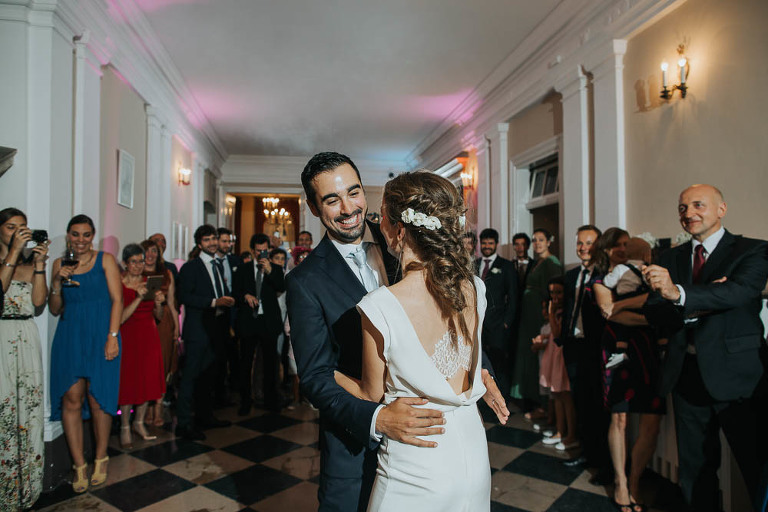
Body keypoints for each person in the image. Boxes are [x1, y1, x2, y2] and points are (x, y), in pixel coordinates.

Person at [286, 152, 508, 511]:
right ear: (314, 207)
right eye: (332, 199)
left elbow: (452, 316)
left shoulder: (406, 236)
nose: (348, 208)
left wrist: (481, 369)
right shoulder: (304, 280)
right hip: (355, 445)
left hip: (434, 447)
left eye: (354, 192)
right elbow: (314, 376)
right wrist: (378, 418)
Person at [333, 171, 494, 510]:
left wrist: (324, 371)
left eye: (382, 217)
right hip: (473, 454)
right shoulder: (474, 288)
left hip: (416, 464)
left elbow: (372, 395)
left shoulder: (380, 306)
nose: (378, 225)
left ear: (400, 230)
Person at [643, 184, 768, 512]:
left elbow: (739, 293)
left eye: (698, 205)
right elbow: (653, 311)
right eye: (682, 208)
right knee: (695, 471)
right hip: (686, 376)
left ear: (721, 209)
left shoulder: (752, 250)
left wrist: (679, 295)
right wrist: (697, 299)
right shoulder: (670, 257)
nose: (689, 213)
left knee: (755, 466)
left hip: (740, 380)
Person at [48, 214, 123, 493]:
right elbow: (55, 307)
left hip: (102, 334)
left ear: (93, 236)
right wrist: (57, 283)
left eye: (86, 234)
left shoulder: (105, 260)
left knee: (97, 398)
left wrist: (112, 337)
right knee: (71, 398)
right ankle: (79, 465)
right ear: (68, 235)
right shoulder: (59, 264)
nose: (80, 240)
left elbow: (117, 300)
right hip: (70, 335)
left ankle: (100, 458)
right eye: (75, 234)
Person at [592, 228, 664, 511]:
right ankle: (621, 482)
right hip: (618, 349)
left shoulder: (647, 272)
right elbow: (607, 311)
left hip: (648, 349)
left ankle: (635, 479)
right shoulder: (601, 279)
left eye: (626, 244)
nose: (622, 249)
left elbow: (656, 302)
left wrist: (622, 306)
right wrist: (648, 314)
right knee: (619, 418)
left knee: (651, 420)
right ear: (607, 249)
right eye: (617, 245)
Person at [0, 208, 48, 508]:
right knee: (4, 410)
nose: (17, 232)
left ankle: (26, 490)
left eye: (22, 227)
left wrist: (39, 265)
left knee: (28, 411)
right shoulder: (5, 262)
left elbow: (39, 301)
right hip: (2, 336)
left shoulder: (30, 262)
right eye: (10, 227)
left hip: (27, 338)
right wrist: (13, 252)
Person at [560, 225, 613, 483]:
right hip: (573, 347)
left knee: (598, 406)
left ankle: (604, 463)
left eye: (588, 243)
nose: (583, 248)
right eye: (580, 243)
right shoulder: (571, 275)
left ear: (598, 245)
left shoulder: (606, 274)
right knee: (580, 403)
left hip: (595, 348)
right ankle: (586, 453)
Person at [175, 225, 233, 441]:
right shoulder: (191, 267)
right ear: (199, 244)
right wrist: (214, 302)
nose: (212, 242)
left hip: (216, 328)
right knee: (190, 377)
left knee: (208, 376)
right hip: (197, 330)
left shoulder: (217, 265)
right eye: (207, 240)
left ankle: (205, 416)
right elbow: (185, 297)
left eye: (214, 238)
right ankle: (183, 424)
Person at [117, 244, 166, 449]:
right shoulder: (119, 284)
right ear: (125, 263)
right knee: (128, 381)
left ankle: (139, 422)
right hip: (128, 334)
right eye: (134, 262)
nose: (138, 266)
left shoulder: (149, 283)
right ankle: (124, 426)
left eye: (141, 261)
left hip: (149, 335)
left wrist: (159, 303)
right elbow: (120, 318)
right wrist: (138, 298)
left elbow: (159, 317)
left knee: (147, 379)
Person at [511, 228, 563, 416]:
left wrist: (547, 314)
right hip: (529, 315)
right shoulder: (538, 262)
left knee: (541, 358)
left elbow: (553, 293)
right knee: (529, 355)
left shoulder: (552, 263)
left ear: (549, 242)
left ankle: (544, 406)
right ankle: (531, 399)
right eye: (534, 240)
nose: (537, 243)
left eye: (541, 240)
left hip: (539, 316)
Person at [232, 233, 285, 415]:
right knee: (246, 363)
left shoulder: (275, 268)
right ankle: (245, 401)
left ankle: (271, 400)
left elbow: (281, 287)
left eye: (264, 250)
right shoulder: (243, 269)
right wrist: (245, 295)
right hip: (249, 321)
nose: (261, 253)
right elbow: (235, 292)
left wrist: (270, 271)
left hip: (268, 321)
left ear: (269, 250)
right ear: (252, 250)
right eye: (258, 251)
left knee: (270, 363)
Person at [533, 276, 578, 452]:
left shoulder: (563, 312)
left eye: (558, 292)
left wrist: (551, 313)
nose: (555, 296)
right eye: (552, 292)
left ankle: (570, 435)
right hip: (554, 354)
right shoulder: (557, 311)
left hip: (562, 355)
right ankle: (559, 431)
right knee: (557, 394)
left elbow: (558, 333)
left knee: (565, 396)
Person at [597, 237, 653, 369]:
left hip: (624, 298)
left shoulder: (620, 268)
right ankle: (663, 345)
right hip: (641, 302)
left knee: (621, 327)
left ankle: (621, 350)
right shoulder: (646, 268)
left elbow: (608, 282)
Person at [140, 238, 180, 426]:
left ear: (159, 254)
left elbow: (171, 303)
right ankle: (146, 409)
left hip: (164, 322)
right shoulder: (136, 273)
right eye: (147, 251)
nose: (150, 255)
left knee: (162, 365)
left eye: (154, 251)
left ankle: (158, 409)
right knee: (146, 366)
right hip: (142, 320)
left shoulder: (167, 273)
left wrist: (176, 327)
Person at [475, 228, 517, 399]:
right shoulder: (475, 264)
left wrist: (506, 322)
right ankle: (482, 398)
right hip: (478, 323)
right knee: (479, 361)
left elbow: (513, 297)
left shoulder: (506, 266)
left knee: (499, 364)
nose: (487, 246)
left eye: (490, 243)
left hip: (498, 325)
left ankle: (502, 398)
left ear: (496, 244)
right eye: (484, 243)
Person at [214, 227, 240, 405]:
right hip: (215, 314)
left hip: (233, 313)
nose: (227, 244)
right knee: (217, 356)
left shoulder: (235, 261)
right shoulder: (210, 263)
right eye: (224, 241)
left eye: (229, 241)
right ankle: (218, 393)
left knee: (233, 354)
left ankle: (231, 389)